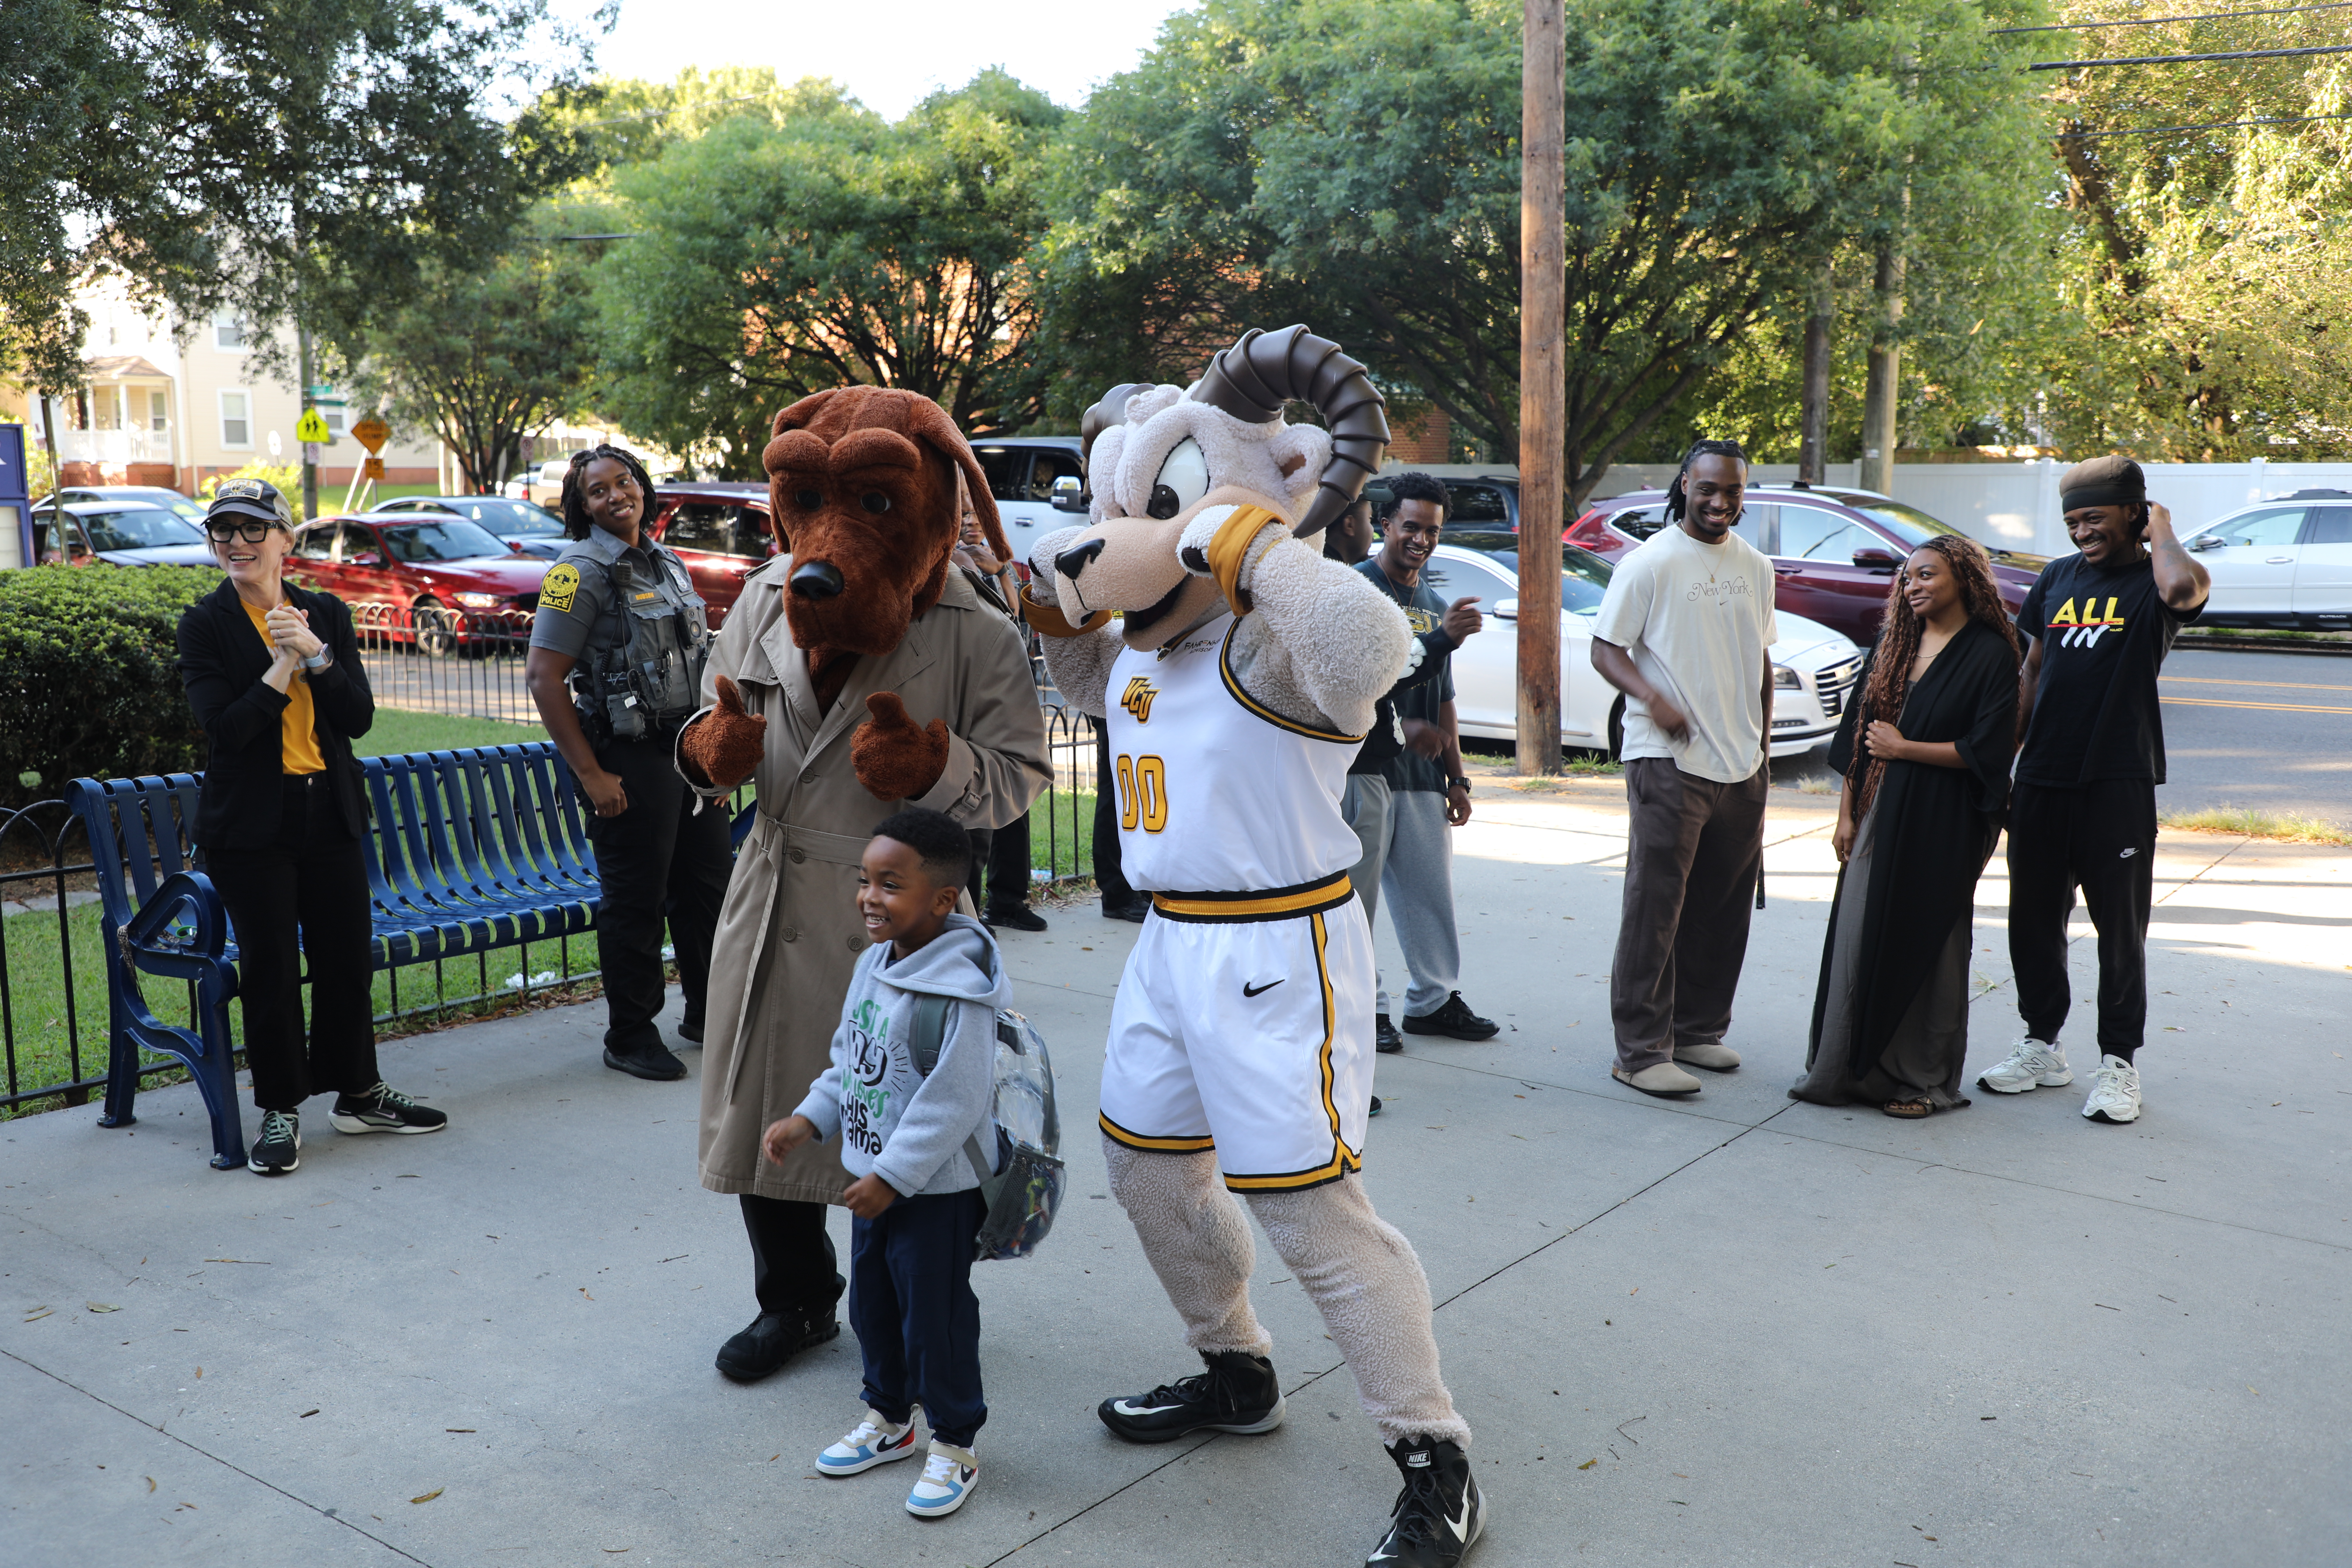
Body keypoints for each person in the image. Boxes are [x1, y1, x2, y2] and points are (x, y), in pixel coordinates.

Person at [176, 477, 446, 1176]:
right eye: (223, 530)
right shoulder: (206, 623)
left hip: (329, 810)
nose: (236, 542)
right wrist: (283, 661)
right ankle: (281, 1108)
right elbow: (225, 730)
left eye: (252, 528)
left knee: (346, 958)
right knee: (268, 968)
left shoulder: (324, 611)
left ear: (285, 540)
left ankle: (358, 1093)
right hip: (251, 826)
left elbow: (356, 717)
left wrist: (319, 652)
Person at [762, 808, 1011, 1520]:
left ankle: (956, 1442)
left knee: (936, 1317)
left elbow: (955, 1100)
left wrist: (892, 1176)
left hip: (933, 1190)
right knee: (874, 1305)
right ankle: (891, 1418)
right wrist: (810, 1116)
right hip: (873, 1180)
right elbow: (853, 1057)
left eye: (891, 884)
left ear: (941, 898)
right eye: (865, 880)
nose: (870, 895)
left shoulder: (961, 988)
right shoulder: (876, 962)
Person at [1981, 456, 2209, 1125]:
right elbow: (2030, 670)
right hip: (2043, 779)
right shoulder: (2056, 578)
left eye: (2095, 517)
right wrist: (2005, 763)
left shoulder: (2159, 579)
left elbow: (2181, 592)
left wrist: (2160, 526)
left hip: (2118, 781)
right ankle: (2042, 1046)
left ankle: (2119, 1063)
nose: (2082, 531)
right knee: (2033, 923)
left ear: (2135, 513)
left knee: (2119, 932)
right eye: (2073, 520)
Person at [1791, 537, 2021, 1116]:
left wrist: (1906, 747)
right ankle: (1846, 1069)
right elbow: (1857, 736)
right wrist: (1845, 815)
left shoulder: (1992, 652)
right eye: (1907, 578)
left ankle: (1920, 1080)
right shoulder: (1894, 644)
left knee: (1931, 943)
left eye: (1926, 575)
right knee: (1859, 932)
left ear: (1964, 579)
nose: (1912, 586)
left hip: (1942, 821)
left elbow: (1988, 752)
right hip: (1875, 812)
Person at [525, 444, 732, 1083]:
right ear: (580, 506)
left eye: (626, 481)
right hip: (628, 758)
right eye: (598, 491)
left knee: (708, 891)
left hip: (687, 752)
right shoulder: (577, 573)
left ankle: (709, 1014)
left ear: (642, 485)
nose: (617, 496)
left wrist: (714, 760)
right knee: (637, 902)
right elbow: (543, 677)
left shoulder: (667, 563)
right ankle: (631, 1035)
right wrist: (591, 774)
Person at [1589, 438, 1775, 1098]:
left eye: (1733, 492)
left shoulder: (1755, 566)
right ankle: (1639, 1051)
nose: (1721, 502)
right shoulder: (1651, 562)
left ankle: (1698, 1029)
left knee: (1723, 910)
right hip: (1666, 759)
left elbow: (1758, 663)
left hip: (1740, 763)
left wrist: (1763, 752)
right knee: (1656, 907)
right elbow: (1606, 650)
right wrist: (1654, 699)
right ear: (1685, 485)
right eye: (1708, 489)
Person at [1346, 474, 1498, 1049]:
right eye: (1411, 526)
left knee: (1430, 894)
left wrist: (1457, 778)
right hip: (1363, 771)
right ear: (1386, 524)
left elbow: (1446, 702)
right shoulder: (1357, 591)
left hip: (1422, 781)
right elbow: (1351, 681)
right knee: (1354, 901)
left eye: (1433, 530)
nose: (1422, 539)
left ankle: (1433, 1000)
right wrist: (1400, 725)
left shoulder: (1436, 605)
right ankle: (1369, 1007)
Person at [951, 479, 1048, 933]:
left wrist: (1003, 567)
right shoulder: (947, 561)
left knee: (1015, 799)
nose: (970, 523)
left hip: (1008, 692)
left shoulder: (995, 559)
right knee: (972, 816)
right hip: (966, 698)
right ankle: (968, 914)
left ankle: (1008, 900)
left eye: (976, 515)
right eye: (963, 514)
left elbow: (1016, 618)